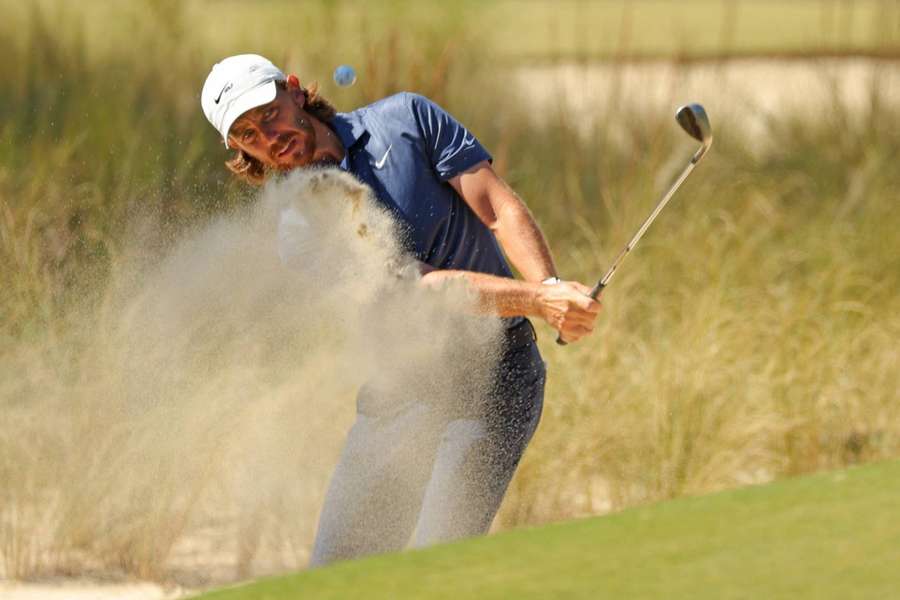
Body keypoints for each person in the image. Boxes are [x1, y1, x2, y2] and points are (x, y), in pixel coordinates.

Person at [200, 54, 600, 566]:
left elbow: (495, 206)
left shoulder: (407, 120)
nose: (268, 136)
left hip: (497, 382)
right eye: (248, 135)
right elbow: (423, 292)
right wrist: (541, 301)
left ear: (295, 91)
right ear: (241, 151)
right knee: (336, 578)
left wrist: (550, 286)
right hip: (401, 397)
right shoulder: (302, 228)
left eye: (269, 113)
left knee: (436, 566)